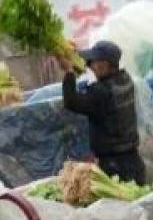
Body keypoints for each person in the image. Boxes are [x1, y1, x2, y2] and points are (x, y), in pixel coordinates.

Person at [58, 41, 145, 185]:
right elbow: (97, 78)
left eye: (92, 62)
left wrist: (68, 72)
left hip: (115, 168)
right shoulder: (125, 80)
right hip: (133, 162)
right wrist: (75, 59)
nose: (90, 65)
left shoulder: (101, 92)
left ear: (103, 65)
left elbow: (71, 102)